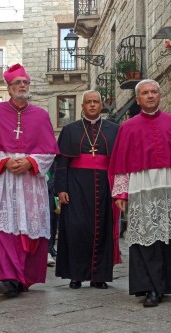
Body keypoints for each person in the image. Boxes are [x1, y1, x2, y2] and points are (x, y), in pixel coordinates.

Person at [108, 79, 171, 307]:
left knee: (164, 238)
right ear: (137, 99)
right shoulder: (127, 127)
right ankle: (148, 287)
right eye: (145, 93)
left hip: (166, 187)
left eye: (154, 92)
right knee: (144, 237)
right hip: (140, 185)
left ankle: (164, 285)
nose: (149, 96)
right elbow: (120, 162)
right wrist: (120, 193)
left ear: (160, 96)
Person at [0, 64, 59, 297]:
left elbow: (50, 152)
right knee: (4, 228)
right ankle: (8, 277)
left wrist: (31, 162)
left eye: (25, 82)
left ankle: (24, 277)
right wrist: (4, 162)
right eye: (17, 83)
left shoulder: (41, 115)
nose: (22, 86)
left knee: (29, 228)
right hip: (3, 182)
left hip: (30, 182)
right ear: (9, 88)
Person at [55, 90, 120, 289]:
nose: (92, 105)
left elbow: (118, 162)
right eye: (88, 102)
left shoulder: (113, 129)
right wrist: (61, 189)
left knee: (101, 230)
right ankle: (76, 275)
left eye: (96, 102)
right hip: (76, 186)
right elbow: (62, 162)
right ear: (82, 106)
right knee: (77, 230)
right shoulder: (70, 130)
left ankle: (98, 276)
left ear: (101, 105)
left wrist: (119, 189)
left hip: (104, 187)